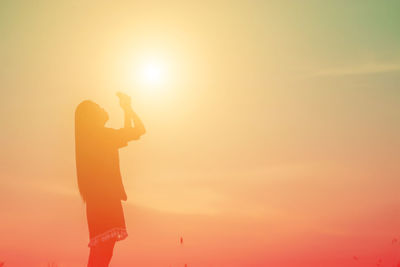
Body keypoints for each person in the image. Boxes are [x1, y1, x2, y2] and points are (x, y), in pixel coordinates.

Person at [74, 92, 146, 267]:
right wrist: (127, 108)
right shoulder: (101, 137)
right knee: (103, 255)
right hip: (105, 202)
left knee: (101, 254)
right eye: (98, 108)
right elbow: (138, 130)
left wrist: (126, 110)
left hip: (99, 203)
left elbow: (132, 131)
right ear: (92, 117)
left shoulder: (95, 138)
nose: (103, 108)